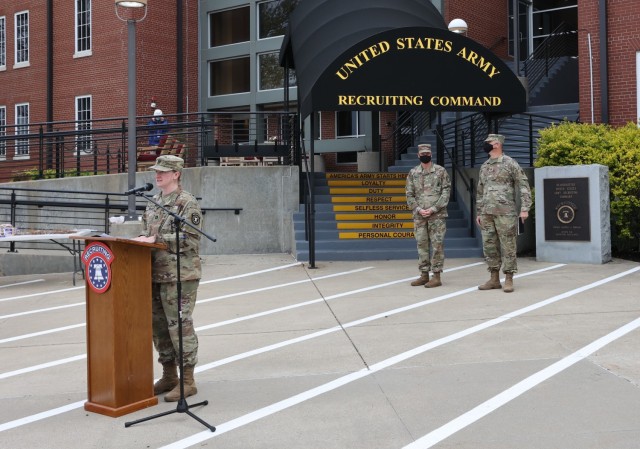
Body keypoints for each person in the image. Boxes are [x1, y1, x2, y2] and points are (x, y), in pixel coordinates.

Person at [133, 155, 203, 402]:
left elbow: (191, 239)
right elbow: (146, 232)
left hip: (180, 276)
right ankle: (169, 375)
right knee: (160, 329)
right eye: (156, 171)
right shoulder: (153, 202)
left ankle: (188, 381)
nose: (157, 175)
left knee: (179, 328)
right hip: (155, 274)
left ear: (176, 174)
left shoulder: (186, 203)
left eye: (163, 171)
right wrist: (142, 241)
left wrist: (158, 241)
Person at [475, 134, 532, 293]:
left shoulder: (510, 163)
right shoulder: (485, 166)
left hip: (505, 212)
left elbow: (523, 186)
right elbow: (480, 191)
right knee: (489, 245)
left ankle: (508, 278)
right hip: (487, 213)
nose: (486, 144)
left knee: (508, 245)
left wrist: (525, 208)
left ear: (497, 144)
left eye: (489, 142)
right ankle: (494, 278)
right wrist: (479, 211)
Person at [405, 143, 451, 288]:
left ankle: (436, 276)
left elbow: (446, 192)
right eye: (422, 154)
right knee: (421, 245)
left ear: (431, 155)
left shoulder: (440, 171)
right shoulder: (413, 173)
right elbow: (409, 194)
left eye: (427, 154)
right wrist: (418, 209)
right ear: (418, 156)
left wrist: (433, 209)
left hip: (437, 216)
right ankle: (424, 275)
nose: (425, 156)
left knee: (437, 245)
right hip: (419, 216)